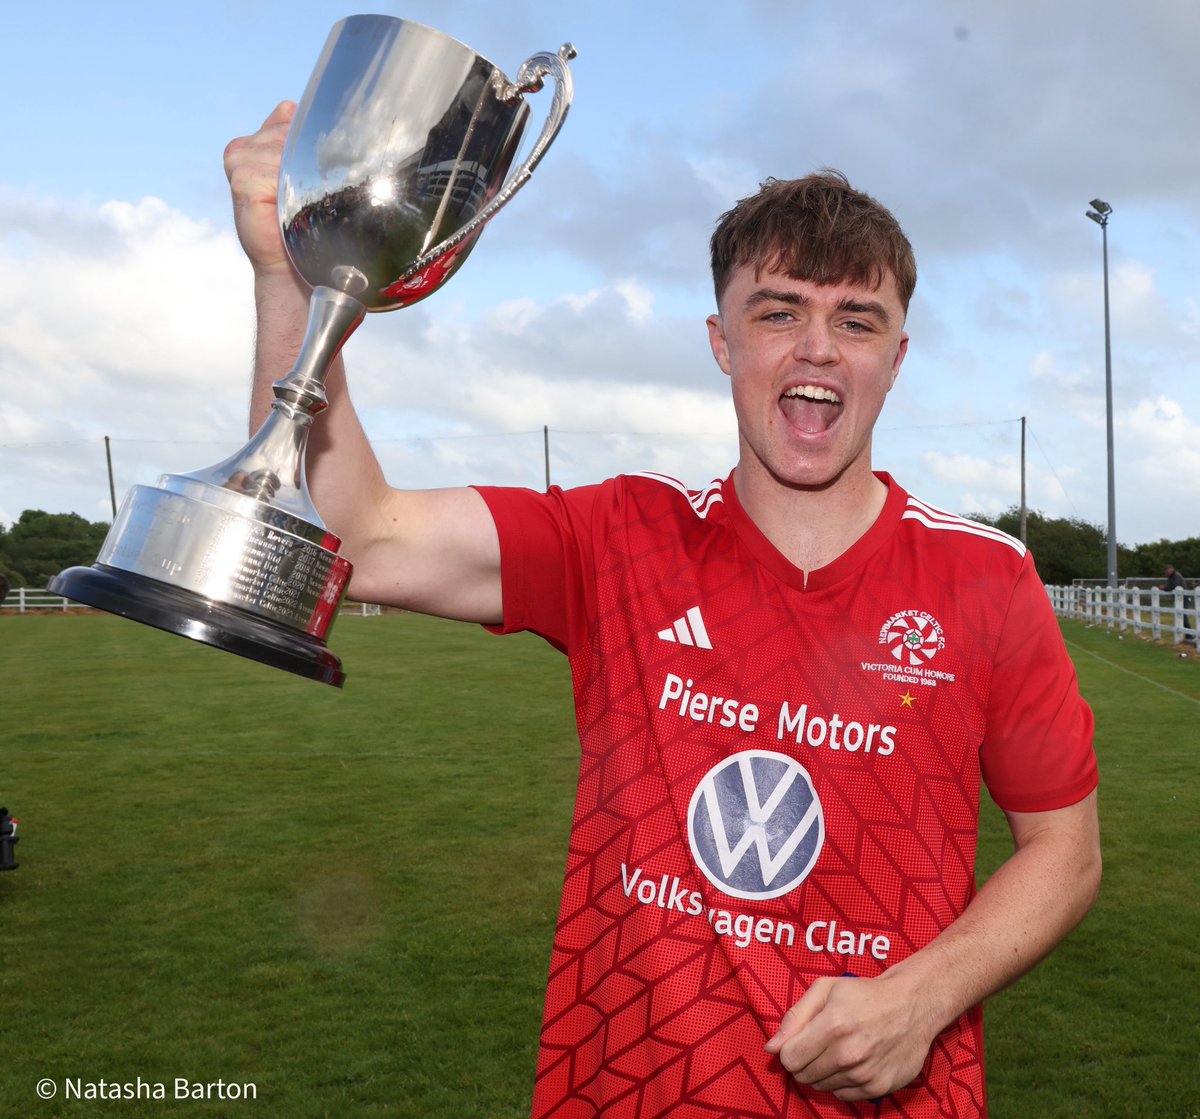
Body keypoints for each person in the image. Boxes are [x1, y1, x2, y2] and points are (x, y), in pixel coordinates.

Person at [225, 102, 1101, 1118]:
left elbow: (1066, 853)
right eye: (778, 312)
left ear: (896, 356)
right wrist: (290, 277)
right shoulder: (618, 540)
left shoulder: (986, 579)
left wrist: (923, 997)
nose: (817, 348)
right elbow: (358, 536)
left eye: (855, 320)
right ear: (722, 340)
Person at [1160, 565, 1194, 640]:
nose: (1166, 574)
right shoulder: (1170, 577)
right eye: (1165, 572)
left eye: (1167, 572)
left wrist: (1164, 588)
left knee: (1183, 615)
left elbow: (1174, 586)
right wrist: (1165, 588)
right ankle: (1185, 634)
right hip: (1178, 599)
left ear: (1171, 570)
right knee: (1179, 616)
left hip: (1184, 598)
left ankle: (1190, 635)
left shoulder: (1177, 576)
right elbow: (1170, 586)